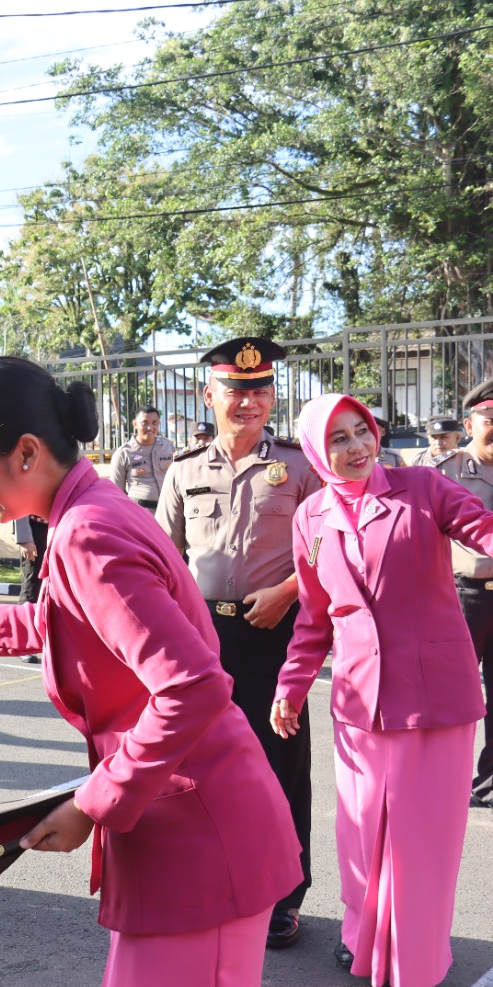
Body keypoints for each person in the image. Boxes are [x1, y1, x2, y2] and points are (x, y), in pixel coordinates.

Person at [0, 356, 301, 987]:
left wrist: (92, 804)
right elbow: (86, 624)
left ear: (26, 453)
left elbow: (192, 686)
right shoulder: (87, 513)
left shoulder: (87, 532)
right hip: (182, 832)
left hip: (199, 840)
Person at [272, 394, 493, 987]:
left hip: (435, 702)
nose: (355, 448)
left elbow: (481, 528)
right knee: (360, 832)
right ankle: (363, 939)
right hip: (359, 702)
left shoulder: (424, 488)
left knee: (421, 842)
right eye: (338, 438)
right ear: (319, 450)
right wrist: (291, 687)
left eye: (362, 432)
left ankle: (413, 963)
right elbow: (316, 619)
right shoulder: (311, 515)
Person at [156, 336, 323, 950]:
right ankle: (220, 876)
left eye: (259, 390)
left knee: (281, 762)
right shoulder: (183, 470)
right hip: (203, 635)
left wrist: (285, 591)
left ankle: (286, 894)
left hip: (275, 633)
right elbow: (162, 556)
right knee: (202, 762)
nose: (248, 401)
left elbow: (330, 550)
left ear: (272, 395)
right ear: (210, 395)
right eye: (235, 390)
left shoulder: (300, 467)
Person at [425, 383, 493, 807]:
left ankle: (489, 783)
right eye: (491, 421)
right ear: (470, 425)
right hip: (461, 597)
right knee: (451, 694)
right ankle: (440, 779)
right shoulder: (445, 471)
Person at [108, 405, 175, 512]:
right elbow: (117, 492)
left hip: (168, 511)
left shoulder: (168, 446)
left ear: (159, 423)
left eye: (154, 423)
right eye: (145, 423)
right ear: (135, 424)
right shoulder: (123, 454)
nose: (150, 428)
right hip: (140, 513)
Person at [13, 515, 48, 664]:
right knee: (31, 587)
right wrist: (24, 538)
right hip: (35, 529)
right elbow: (19, 501)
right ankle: (24, 643)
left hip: (58, 525)